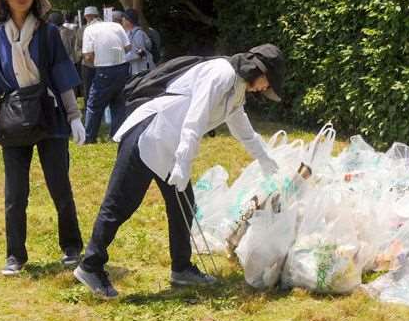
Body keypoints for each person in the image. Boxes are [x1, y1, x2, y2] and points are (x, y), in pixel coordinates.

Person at [74, 44, 284, 298]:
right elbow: (194, 120)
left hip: (170, 146)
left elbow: (243, 130)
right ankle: (90, 266)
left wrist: (265, 159)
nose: (265, 89)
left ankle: (181, 269)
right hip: (149, 133)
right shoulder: (221, 73)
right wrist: (184, 163)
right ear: (258, 70)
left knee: (183, 205)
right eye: (267, 82)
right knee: (119, 203)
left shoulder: (237, 90)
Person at [0, 0, 87, 275]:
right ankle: (15, 255)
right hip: (13, 118)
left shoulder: (49, 32)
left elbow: (62, 75)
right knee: (15, 193)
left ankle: (71, 247)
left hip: (49, 114)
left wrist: (74, 116)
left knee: (59, 186)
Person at [81, 8, 131, 143]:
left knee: (94, 104)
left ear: (89, 19)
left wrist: (97, 59)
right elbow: (128, 47)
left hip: (104, 70)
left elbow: (87, 55)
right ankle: (116, 136)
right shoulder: (116, 26)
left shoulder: (89, 30)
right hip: (122, 68)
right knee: (118, 103)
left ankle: (90, 137)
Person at [77, 6, 101, 113]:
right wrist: (84, 55)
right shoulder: (81, 30)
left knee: (101, 87)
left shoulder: (102, 28)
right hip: (87, 64)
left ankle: (102, 109)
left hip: (102, 63)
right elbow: (77, 47)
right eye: (88, 16)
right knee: (87, 88)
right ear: (85, 17)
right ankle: (88, 109)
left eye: (92, 16)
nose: (90, 18)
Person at [121, 8, 154, 76]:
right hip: (137, 68)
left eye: (123, 20)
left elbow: (141, 53)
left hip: (144, 69)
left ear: (128, 21)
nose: (122, 23)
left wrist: (122, 58)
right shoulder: (129, 33)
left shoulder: (138, 34)